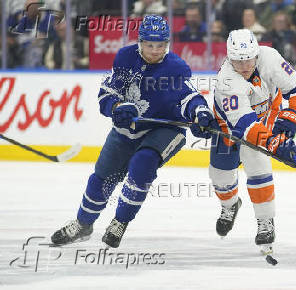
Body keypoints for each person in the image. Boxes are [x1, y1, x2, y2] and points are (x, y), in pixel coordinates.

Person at [51, 15, 215, 248]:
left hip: (165, 129)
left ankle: (120, 221)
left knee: (142, 163)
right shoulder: (125, 58)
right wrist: (117, 107)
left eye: (161, 45)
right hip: (128, 130)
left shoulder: (176, 67)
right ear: (140, 42)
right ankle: (83, 223)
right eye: (150, 45)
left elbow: (188, 97)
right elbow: (108, 94)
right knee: (102, 179)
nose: (156, 50)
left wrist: (200, 113)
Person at [210, 29, 296, 253]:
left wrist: (290, 121)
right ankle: (229, 205)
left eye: (249, 59)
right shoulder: (227, 81)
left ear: (257, 54)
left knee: (259, 168)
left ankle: (265, 221)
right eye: (238, 61)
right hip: (228, 129)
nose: (245, 66)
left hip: (264, 118)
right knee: (220, 177)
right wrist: (276, 144)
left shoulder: (270, 57)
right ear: (229, 58)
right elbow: (245, 126)